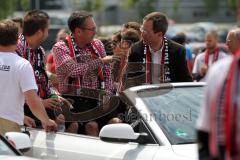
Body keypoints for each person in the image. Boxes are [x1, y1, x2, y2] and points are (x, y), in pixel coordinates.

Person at [52, 11, 119, 136]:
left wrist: (108, 94)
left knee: (116, 122)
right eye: (92, 29)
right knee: (91, 126)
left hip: (98, 95)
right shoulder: (60, 47)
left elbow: (107, 73)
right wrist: (100, 61)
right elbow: (73, 70)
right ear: (78, 31)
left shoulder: (97, 44)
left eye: (95, 28)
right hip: (75, 98)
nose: (95, 32)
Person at [16, 10, 77, 133]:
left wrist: (55, 95)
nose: (48, 33)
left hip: (38, 102)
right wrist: (41, 102)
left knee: (73, 120)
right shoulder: (17, 48)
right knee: (60, 120)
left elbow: (42, 79)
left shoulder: (40, 51)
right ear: (39, 32)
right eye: (47, 29)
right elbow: (13, 85)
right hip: (22, 107)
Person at [0, 19, 57, 135]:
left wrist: (21, 116)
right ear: (17, 40)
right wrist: (46, 121)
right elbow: (32, 100)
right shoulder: (22, 65)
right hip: (8, 126)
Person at [196, 28, 240, 160]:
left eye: (229, 41)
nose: (226, 44)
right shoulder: (220, 70)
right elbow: (205, 129)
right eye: (226, 41)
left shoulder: (222, 60)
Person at [127, 12, 192, 87]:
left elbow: (185, 81)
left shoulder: (177, 51)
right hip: (143, 97)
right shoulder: (136, 50)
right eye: (142, 30)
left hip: (170, 97)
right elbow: (130, 82)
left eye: (146, 31)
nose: (142, 34)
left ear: (159, 34)